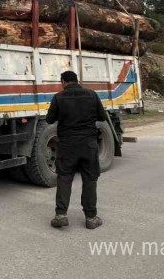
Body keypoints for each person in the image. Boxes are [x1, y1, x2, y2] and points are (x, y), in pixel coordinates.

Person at [45, 70, 105, 230]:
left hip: (67, 145)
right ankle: (91, 218)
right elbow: (102, 117)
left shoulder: (58, 97)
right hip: (88, 145)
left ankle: (61, 215)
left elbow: (49, 119)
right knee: (90, 179)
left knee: (64, 177)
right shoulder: (92, 95)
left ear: (63, 81)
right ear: (77, 80)